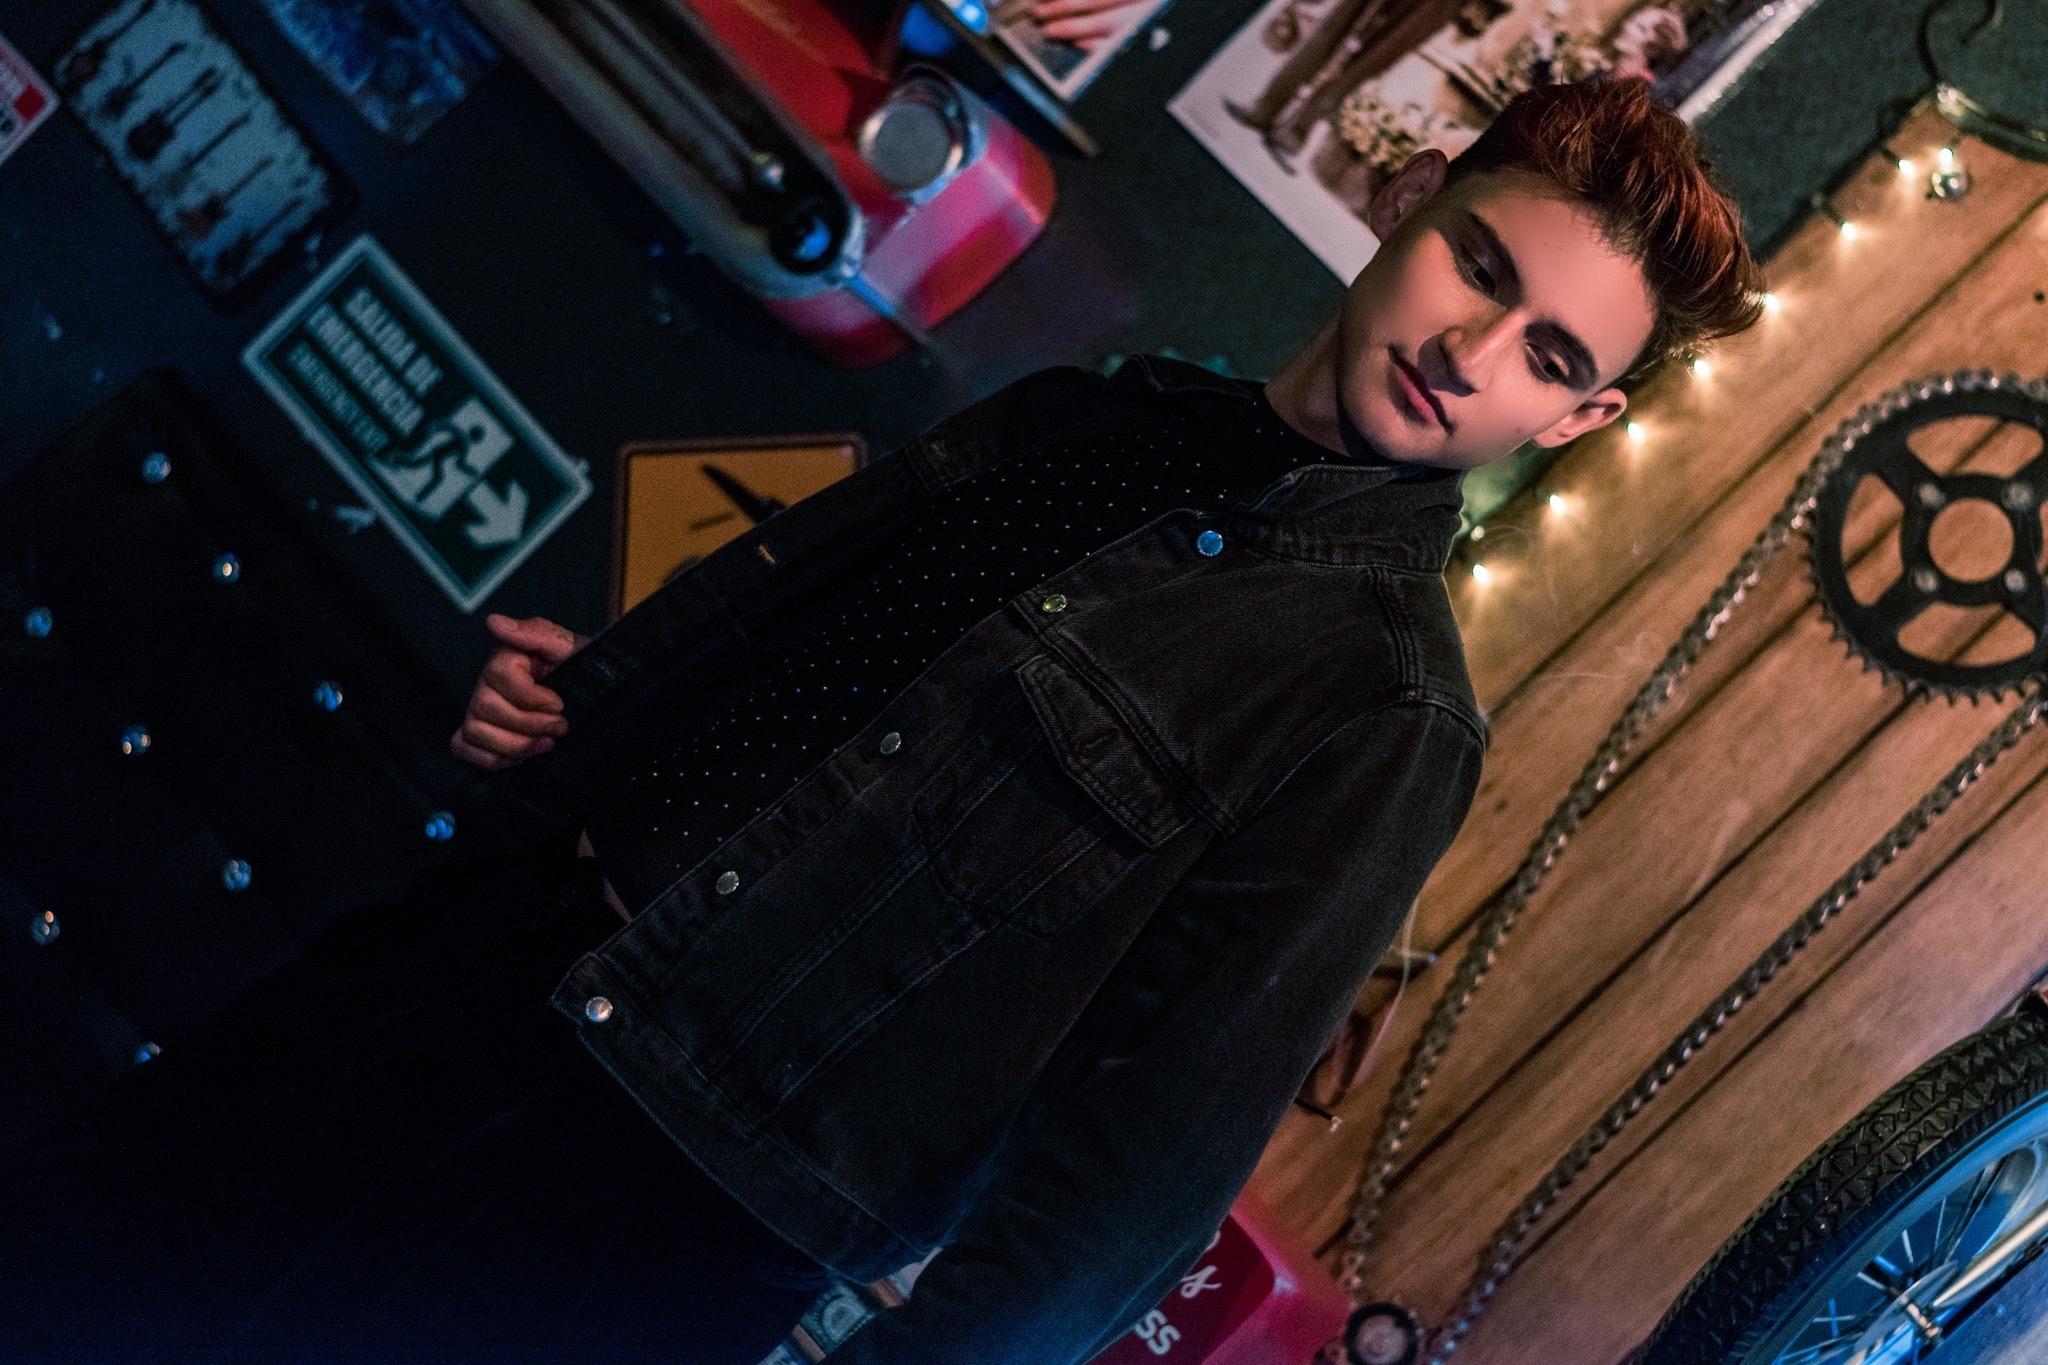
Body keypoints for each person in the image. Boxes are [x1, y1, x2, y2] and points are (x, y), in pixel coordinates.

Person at [15, 74, 1765, 1365]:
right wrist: (581, 718)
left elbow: (1133, 1180)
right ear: (1414, 203)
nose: (1476, 349)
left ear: (1580, 421)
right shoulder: (1108, 414)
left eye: (1552, 357)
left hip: (660, 1192)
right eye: (1480, 265)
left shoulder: (1385, 716)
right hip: (477, 953)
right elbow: (824, 669)